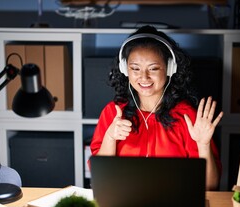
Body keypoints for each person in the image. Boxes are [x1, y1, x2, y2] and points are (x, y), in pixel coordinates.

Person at [90, 25, 223, 190]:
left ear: (170, 68)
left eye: (153, 68)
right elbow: (99, 178)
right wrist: (110, 138)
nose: (144, 77)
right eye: (135, 68)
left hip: (174, 205)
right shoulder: (113, 112)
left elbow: (210, 186)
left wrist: (203, 145)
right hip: (125, 203)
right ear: (125, 69)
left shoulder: (187, 116)